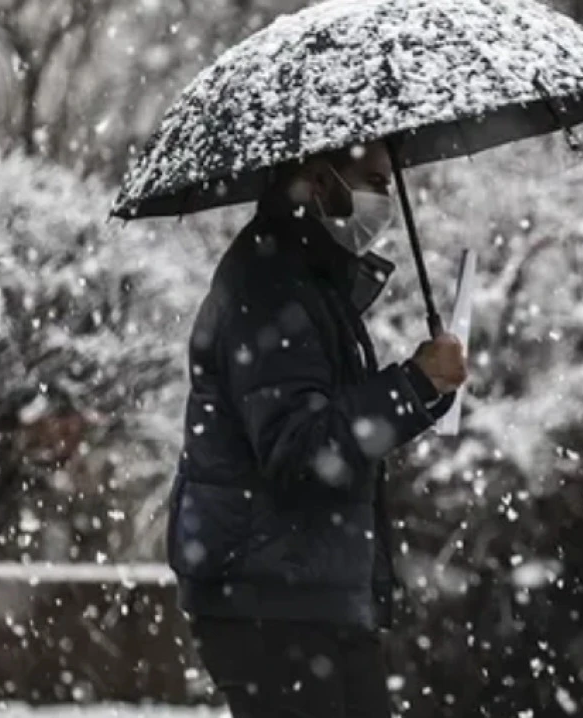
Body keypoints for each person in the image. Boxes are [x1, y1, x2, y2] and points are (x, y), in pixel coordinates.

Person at [167, 141, 468, 718]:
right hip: (273, 602)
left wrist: (422, 389)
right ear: (319, 178)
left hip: (301, 594)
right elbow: (301, 452)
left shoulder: (303, 279)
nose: (384, 199)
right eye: (374, 181)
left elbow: (324, 427)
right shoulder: (270, 288)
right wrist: (412, 385)